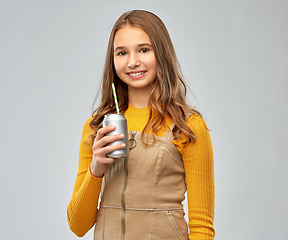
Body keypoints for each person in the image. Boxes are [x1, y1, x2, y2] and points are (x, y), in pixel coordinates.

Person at [67, 10, 215, 240]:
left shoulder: (187, 126)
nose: (132, 61)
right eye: (122, 52)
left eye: (144, 50)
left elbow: (201, 226)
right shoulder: (96, 127)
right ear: (113, 59)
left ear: (161, 53)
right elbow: (78, 225)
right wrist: (96, 168)